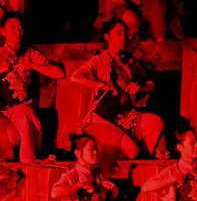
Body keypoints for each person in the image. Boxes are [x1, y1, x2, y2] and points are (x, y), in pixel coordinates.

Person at [0, 13, 64, 162]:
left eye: (20, 28)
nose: (17, 31)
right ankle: (28, 160)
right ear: (3, 32)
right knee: (24, 115)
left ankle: (29, 159)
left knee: (30, 118)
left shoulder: (30, 54)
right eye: (12, 28)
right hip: (1, 111)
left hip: (23, 107)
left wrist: (32, 65)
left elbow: (59, 74)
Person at [71, 19, 167, 165]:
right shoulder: (100, 60)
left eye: (124, 34)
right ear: (107, 37)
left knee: (155, 123)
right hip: (103, 119)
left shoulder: (129, 62)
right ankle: (122, 160)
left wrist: (139, 88)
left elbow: (151, 84)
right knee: (132, 150)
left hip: (125, 115)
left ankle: (147, 163)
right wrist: (101, 84)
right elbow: (76, 77)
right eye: (119, 33)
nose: (123, 38)